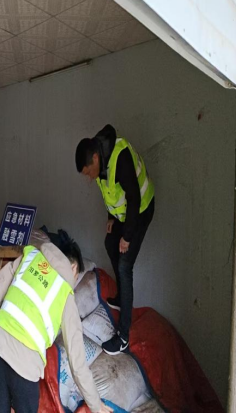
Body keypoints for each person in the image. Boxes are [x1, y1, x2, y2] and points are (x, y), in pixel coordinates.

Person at [0, 240, 113, 413]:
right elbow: (77, 361)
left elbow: (0, 281)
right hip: (25, 368)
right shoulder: (65, 294)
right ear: (73, 268)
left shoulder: (30, 258)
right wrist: (96, 405)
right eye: (76, 278)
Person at [75, 125, 155, 355]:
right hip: (124, 213)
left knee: (124, 265)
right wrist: (111, 217)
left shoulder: (120, 158)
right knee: (110, 242)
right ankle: (121, 297)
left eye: (88, 173)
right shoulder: (100, 162)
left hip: (140, 210)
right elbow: (110, 193)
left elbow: (134, 198)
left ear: (95, 158)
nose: (89, 178)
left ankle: (123, 336)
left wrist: (127, 237)